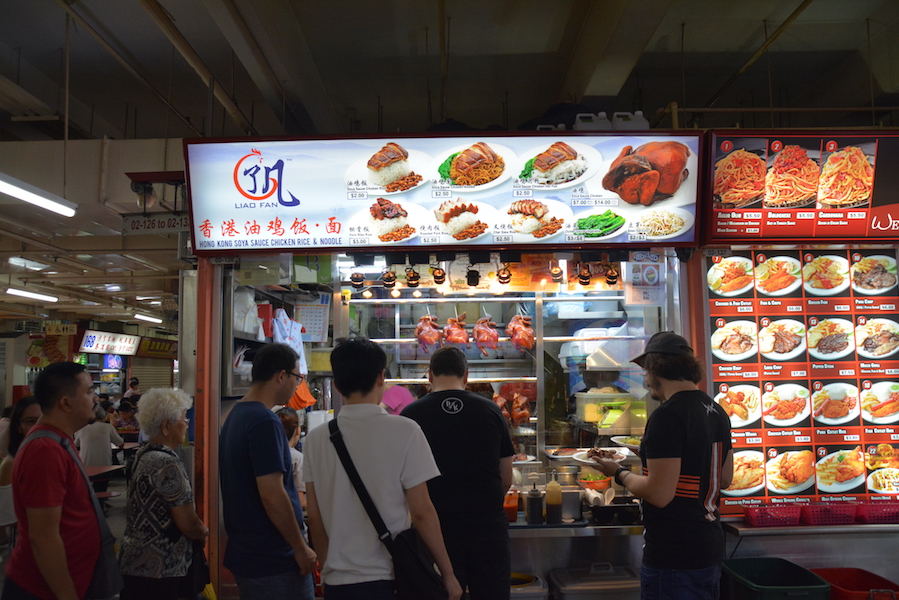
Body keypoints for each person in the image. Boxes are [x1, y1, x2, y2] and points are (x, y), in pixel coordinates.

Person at [303, 337, 461, 600]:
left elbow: (315, 517)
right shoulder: (405, 430)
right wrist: (448, 573)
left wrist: (328, 567)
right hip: (390, 578)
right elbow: (422, 513)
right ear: (381, 377)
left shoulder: (316, 440)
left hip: (337, 582)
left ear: (338, 385)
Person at [590, 332, 734, 600]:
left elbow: (659, 494)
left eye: (646, 372)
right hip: (709, 548)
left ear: (656, 369)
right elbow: (724, 478)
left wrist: (618, 472)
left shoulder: (667, 416)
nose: (645, 381)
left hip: (674, 555)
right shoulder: (716, 410)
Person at [401, 346, 514, 600]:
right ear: (467, 375)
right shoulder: (491, 411)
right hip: (487, 528)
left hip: (435, 534)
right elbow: (506, 477)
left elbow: (405, 484)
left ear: (429, 376)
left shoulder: (410, 415)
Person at [219, 343, 317, 599]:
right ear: (281, 376)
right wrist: (300, 547)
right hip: (273, 561)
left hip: (250, 556)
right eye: (297, 378)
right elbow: (272, 494)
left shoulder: (236, 415)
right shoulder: (264, 421)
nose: (298, 385)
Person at [2, 361, 102, 600]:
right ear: (66, 403)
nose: (95, 398)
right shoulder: (45, 450)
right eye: (88, 391)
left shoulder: (59, 441)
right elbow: (43, 537)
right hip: (42, 590)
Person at [118, 388, 208, 600]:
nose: (187, 425)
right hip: (161, 570)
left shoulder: (143, 455)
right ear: (167, 426)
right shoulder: (167, 464)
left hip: (134, 562)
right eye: (184, 419)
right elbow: (186, 521)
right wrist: (203, 531)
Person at [0, 397, 42, 549]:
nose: (38, 426)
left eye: (41, 419)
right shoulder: (11, 463)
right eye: (30, 421)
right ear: (18, 427)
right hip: (31, 545)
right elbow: (7, 516)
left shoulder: (54, 453)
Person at [74, 406, 124, 493]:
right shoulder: (108, 427)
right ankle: (100, 501)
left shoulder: (81, 428)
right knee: (101, 486)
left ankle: (91, 499)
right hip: (105, 469)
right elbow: (121, 444)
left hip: (84, 468)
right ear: (104, 416)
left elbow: (75, 445)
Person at [276, 406, 307, 511]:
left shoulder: (269, 454)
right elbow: (300, 503)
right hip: (290, 518)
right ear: (298, 430)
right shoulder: (298, 458)